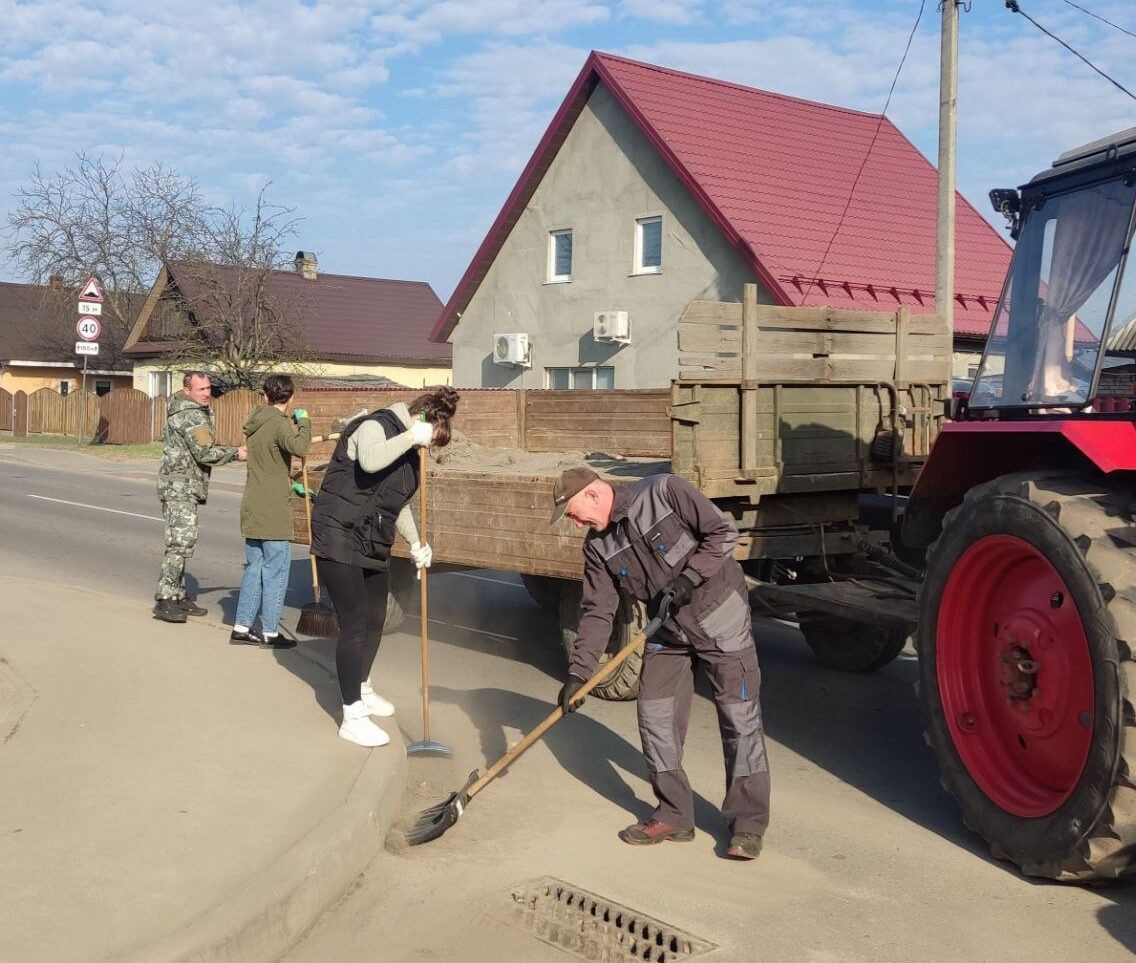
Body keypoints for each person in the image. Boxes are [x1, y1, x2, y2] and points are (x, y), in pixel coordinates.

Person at [551, 466, 770, 860]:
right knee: (654, 717)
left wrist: (688, 579)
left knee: (739, 720)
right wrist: (578, 673)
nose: (573, 521)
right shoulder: (597, 547)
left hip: (721, 618)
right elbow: (598, 611)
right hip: (667, 632)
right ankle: (674, 814)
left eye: (572, 511)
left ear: (594, 495)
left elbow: (723, 534)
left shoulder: (664, 492)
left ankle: (748, 826)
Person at [309, 386, 460, 747]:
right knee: (356, 621)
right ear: (422, 421)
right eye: (431, 440)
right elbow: (370, 461)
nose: (427, 448)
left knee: (379, 616)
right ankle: (352, 715)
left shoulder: (410, 452)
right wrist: (411, 436)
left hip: (371, 537)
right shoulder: (374, 425)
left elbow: (399, 504)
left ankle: (361, 685)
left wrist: (417, 542)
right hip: (338, 532)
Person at [153, 371, 247, 623]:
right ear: (187, 391)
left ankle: (178, 595)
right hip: (180, 489)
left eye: (208, 388)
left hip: (180, 486)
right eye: (201, 389)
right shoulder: (191, 415)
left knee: (182, 542)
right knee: (180, 543)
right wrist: (235, 453)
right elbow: (204, 453)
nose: (206, 393)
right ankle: (165, 598)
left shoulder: (187, 411)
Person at [231, 374, 312, 648]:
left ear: (265, 396)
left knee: (254, 568)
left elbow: (270, 462)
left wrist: (290, 481)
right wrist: (304, 423)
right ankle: (270, 632)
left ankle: (242, 626)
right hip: (273, 509)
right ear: (289, 399)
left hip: (253, 503)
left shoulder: (255, 424)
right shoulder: (279, 424)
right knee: (275, 572)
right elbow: (300, 447)